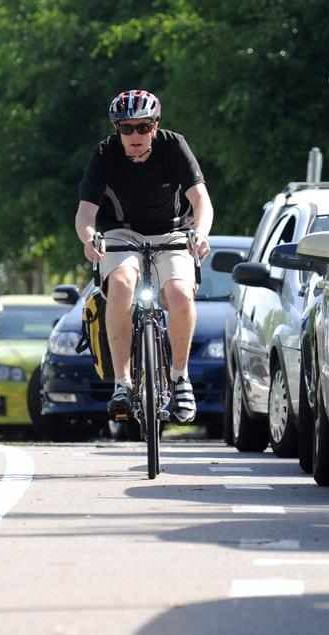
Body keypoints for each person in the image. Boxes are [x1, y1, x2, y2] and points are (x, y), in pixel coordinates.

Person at [75, 89, 214, 424]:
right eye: (126, 128)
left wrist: (201, 233)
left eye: (143, 127)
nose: (135, 135)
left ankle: (180, 378)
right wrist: (89, 237)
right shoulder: (105, 153)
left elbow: (201, 201)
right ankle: (122, 384)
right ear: (116, 130)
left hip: (172, 232)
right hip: (121, 233)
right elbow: (85, 213)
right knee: (121, 285)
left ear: (156, 126)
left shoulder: (174, 146)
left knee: (179, 295)